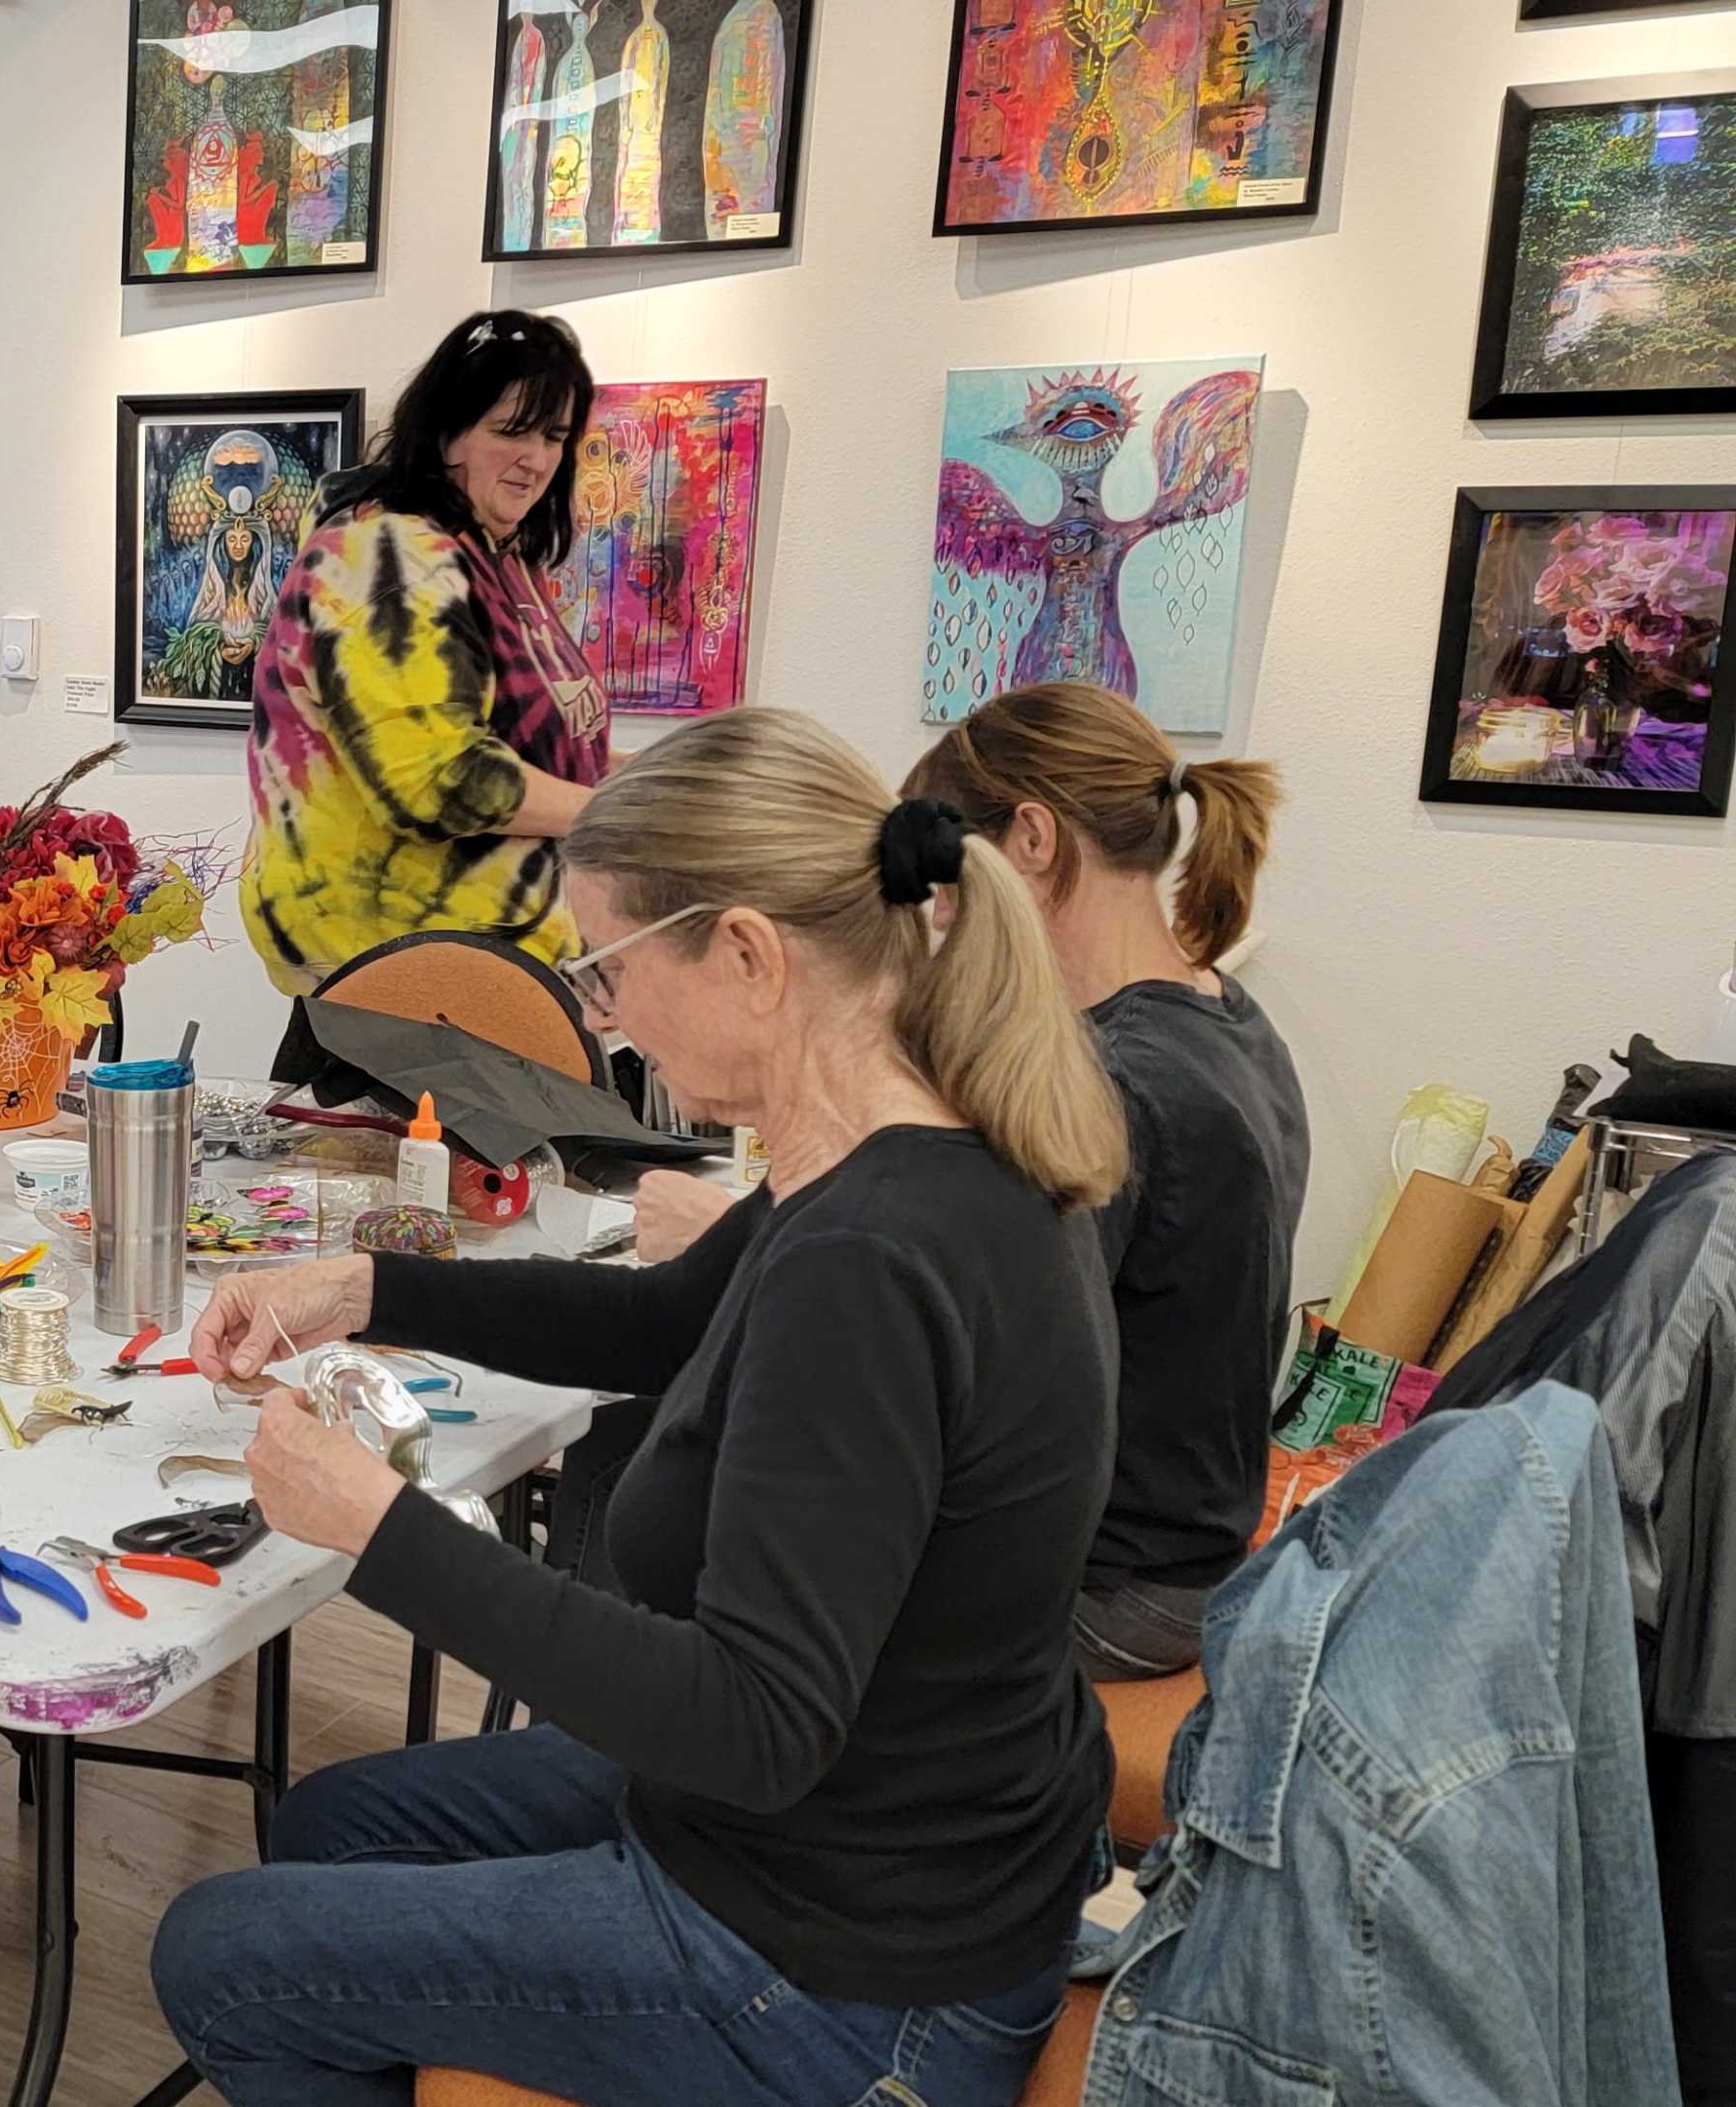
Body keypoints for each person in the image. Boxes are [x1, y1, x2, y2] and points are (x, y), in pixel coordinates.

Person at [152, 709, 1126, 2107]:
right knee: (330, 1819)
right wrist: (363, 1285)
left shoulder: (870, 1255)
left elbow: (753, 1719)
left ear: (745, 952)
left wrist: (381, 1524)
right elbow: (661, 1322)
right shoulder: (897, 1150)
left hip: (852, 1969)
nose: (600, 1020)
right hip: (880, 1852)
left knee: (219, 1950)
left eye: (606, 971)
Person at [631, 681, 1303, 1679]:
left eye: (949, 883)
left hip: (1120, 1592)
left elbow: (979, 1326)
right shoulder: (1226, 1016)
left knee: (682, 1528)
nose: (944, 918)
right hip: (1188, 1549)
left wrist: (748, 1238)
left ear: (1030, 838)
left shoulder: (1113, 1081)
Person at [243, 309, 612, 995]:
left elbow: (550, 752)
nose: (536, 459)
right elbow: (438, 781)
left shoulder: (498, 554)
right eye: (511, 431)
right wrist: (628, 812)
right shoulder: (388, 552)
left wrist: (678, 783)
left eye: (555, 436)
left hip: (501, 965)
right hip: (407, 983)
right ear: (447, 432)